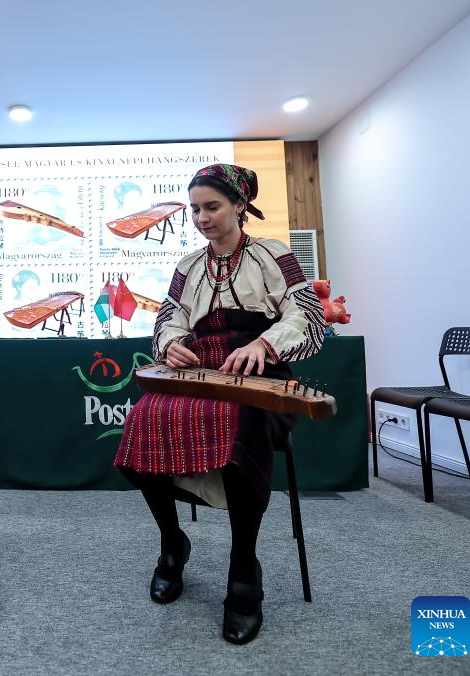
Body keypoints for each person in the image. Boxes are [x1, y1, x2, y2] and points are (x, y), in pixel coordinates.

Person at [114, 164, 326, 644]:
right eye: (195, 209)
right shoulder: (188, 265)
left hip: (261, 376)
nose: (202, 218)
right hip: (200, 373)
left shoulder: (274, 254)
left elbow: (306, 313)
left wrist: (264, 345)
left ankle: (243, 565)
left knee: (239, 423)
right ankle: (173, 542)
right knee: (144, 419)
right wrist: (171, 344)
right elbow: (169, 318)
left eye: (212, 207)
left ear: (239, 205)